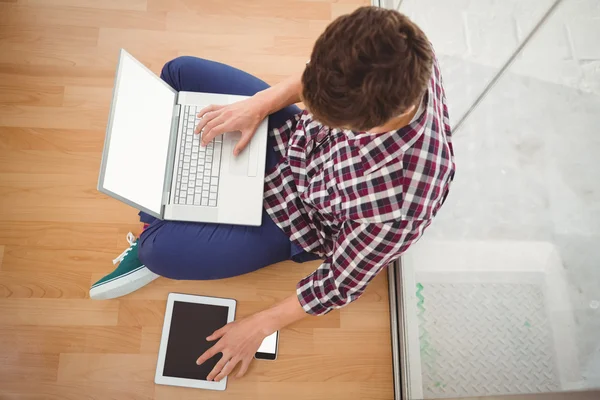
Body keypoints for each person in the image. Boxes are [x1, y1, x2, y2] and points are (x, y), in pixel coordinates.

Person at [91, 6, 454, 381]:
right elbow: (319, 78)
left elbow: (339, 281)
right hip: (295, 140)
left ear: (366, 126)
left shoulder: (403, 204)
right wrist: (259, 105)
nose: (309, 103)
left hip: (297, 218)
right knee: (178, 72)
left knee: (157, 253)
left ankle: (172, 201)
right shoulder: (402, 43)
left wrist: (260, 326)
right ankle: (180, 191)